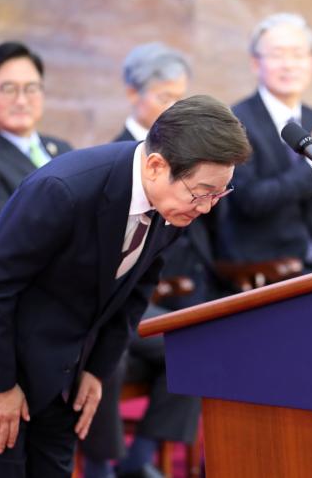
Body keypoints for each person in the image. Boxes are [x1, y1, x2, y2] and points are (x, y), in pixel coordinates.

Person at [0, 94, 252, 477]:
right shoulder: (64, 189)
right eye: (201, 192)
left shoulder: (172, 205)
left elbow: (135, 290)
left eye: (218, 194)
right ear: (157, 166)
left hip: (58, 358)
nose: (206, 207)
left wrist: (97, 369)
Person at [82, 43, 204, 478]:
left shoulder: (187, 155)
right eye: (164, 96)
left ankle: (142, 456)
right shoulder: (112, 158)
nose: (174, 109)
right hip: (116, 296)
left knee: (197, 344)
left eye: (180, 98)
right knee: (108, 348)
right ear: (133, 94)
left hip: (169, 291)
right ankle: (101, 464)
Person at [224, 12, 312, 270]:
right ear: (256, 63)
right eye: (277, 55)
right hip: (262, 265)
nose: (289, 65)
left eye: (298, 55)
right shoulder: (235, 121)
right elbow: (250, 201)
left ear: (311, 62)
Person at [0, 41, 72, 245]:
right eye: (9, 89)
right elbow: (6, 241)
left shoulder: (62, 149)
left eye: (31, 88)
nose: (21, 101)